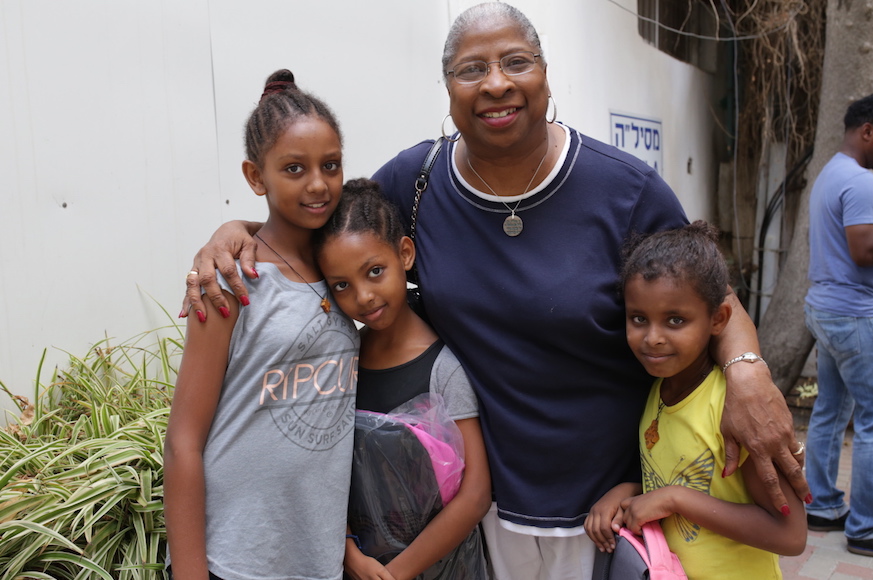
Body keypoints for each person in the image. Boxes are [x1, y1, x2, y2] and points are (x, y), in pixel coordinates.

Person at [181, 4, 808, 577]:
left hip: (602, 511)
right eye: (469, 69)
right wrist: (232, 232)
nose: (496, 83)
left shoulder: (625, 191)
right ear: (449, 91)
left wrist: (749, 374)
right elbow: (327, 224)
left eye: (517, 62)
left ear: (545, 75)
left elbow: (711, 295)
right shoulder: (415, 179)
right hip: (478, 515)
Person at [163, 70, 360, 580]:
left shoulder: (348, 277)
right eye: (294, 168)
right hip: (235, 556)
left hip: (317, 555)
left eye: (331, 165)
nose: (318, 184)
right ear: (256, 177)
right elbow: (183, 440)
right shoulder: (231, 280)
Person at [585, 222, 806, 579]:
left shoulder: (733, 411)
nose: (652, 338)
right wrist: (627, 492)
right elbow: (689, 478)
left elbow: (791, 535)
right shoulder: (660, 388)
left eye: (675, 320)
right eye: (638, 318)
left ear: (717, 319)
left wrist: (674, 499)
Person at [312, 177, 492, 580]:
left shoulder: (443, 369)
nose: (364, 297)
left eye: (375, 271)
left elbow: (476, 494)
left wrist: (397, 573)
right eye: (342, 285)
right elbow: (324, 470)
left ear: (404, 254)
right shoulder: (342, 361)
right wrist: (351, 555)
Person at [804, 93, 873, 557]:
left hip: (827, 310)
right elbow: (865, 250)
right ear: (868, 130)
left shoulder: (830, 173)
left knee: (830, 411)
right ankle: (869, 527)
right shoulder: (862, 182)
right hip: (855, 316)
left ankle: (822, 505)